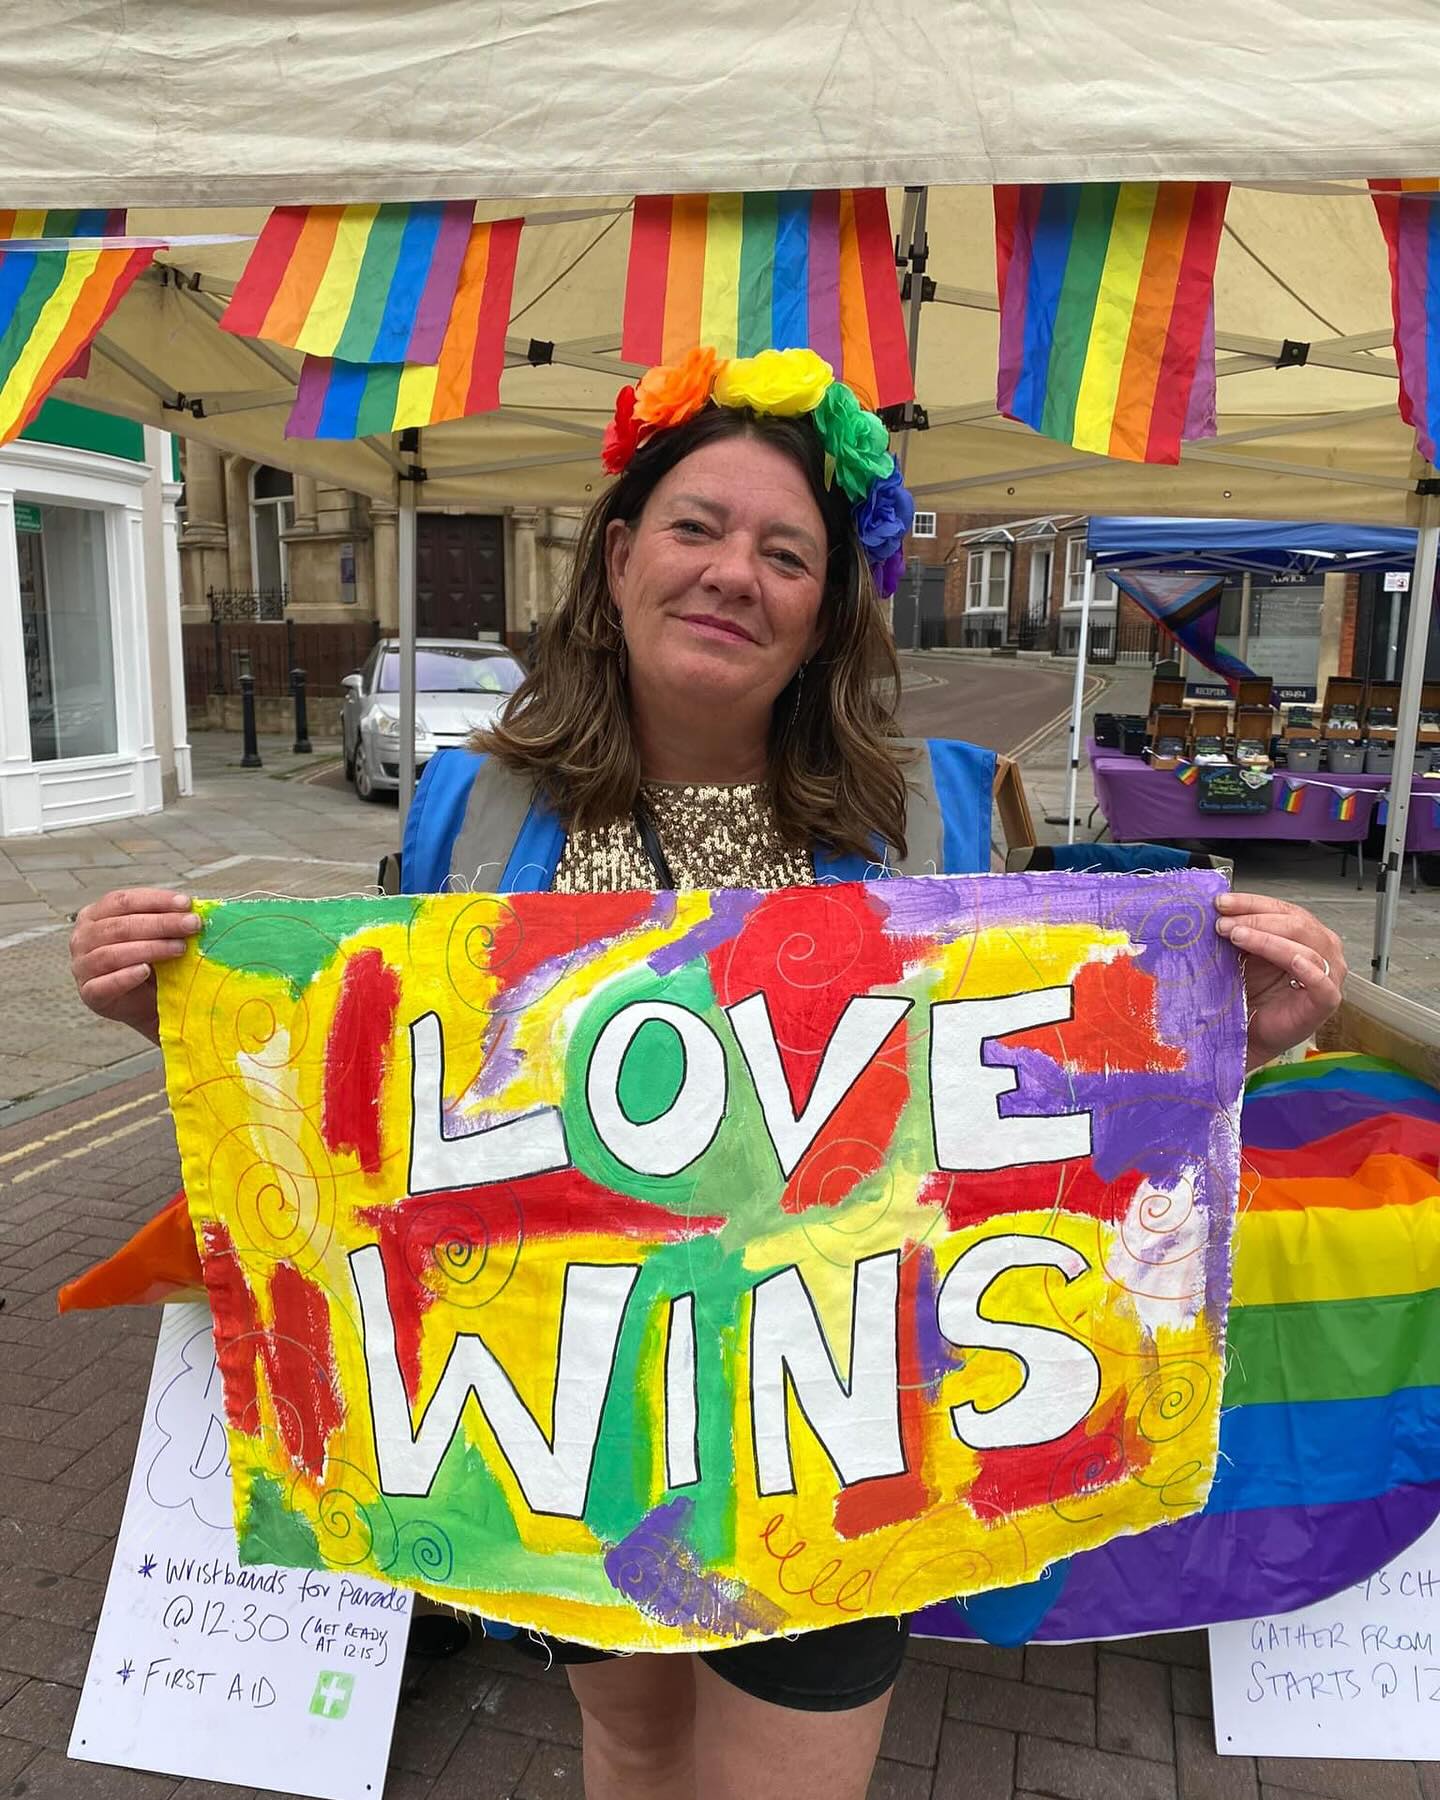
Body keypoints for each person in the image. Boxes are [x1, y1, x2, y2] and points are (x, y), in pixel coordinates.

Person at [70, 345, 1346, 1800]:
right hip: (571, 1417)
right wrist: (182, 1018)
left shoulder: (939, 810)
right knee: (627, 1746)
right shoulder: (467, 809)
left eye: (784, 552)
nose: (733, 572)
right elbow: (374, 1098)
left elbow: (1058, 1105)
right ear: (617, 560)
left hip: (844, 1421)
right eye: (696, 528)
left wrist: (1248, 1031)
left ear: (823, 610)